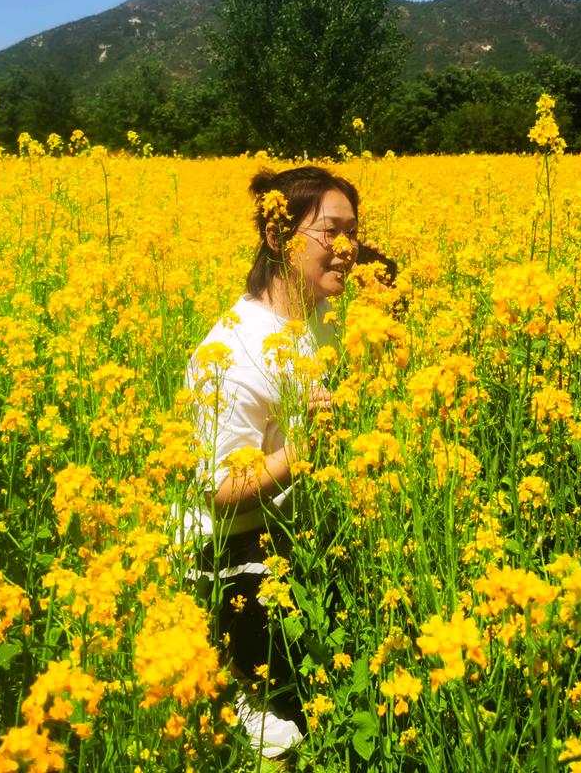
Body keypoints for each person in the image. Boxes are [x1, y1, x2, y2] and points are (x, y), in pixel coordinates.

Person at [185, 165, 361, 758]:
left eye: (353, 234)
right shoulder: (229, 352)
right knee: (282, 740)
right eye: (330, 232)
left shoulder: (322, 322)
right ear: (276, 237)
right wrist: (306, 449)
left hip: (301, 540)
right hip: (231, 561)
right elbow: (216, 491)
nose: (346, 249)